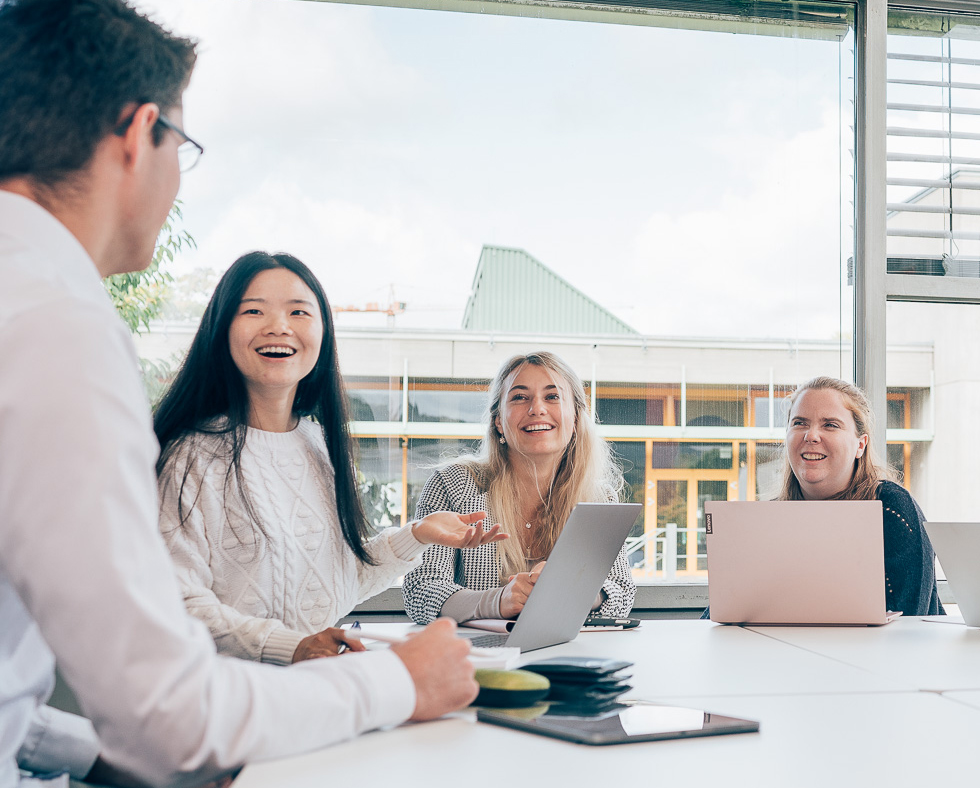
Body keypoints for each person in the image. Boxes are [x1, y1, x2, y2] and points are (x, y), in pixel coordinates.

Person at [0, 1, 475, 786]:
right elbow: (167, 711)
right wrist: (397, 680)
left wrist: (91, 756)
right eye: (182, 146)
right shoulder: (59, 329)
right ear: (137, 134)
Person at [154, 251, 508, 666]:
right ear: (221, 329)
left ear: (323, 333)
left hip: (318, 688)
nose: (279, 327)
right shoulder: (189, 455)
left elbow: (336, 584)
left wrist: (418, 534)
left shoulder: (317, 442)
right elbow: (175, 600)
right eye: (253, 310)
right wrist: (293, 646)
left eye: (299, 312)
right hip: (230, 701)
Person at [403, 352, 636, 624]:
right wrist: (497, 601)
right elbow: (420, 590)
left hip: (566, 653)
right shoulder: (454, 484)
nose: (537, 408)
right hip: (475, 657)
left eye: (552, 397)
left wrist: (575, 591)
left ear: (575, 419)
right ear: (498, 421)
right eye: (519, 397)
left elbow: (622, 592)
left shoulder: (599, 498)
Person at [774, 377, 942, 617]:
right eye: (799, 423)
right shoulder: (768, 519)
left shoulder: (892, 508)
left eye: (830, 425)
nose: (811, 436)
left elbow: (911, 623)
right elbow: (721, 612)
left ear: (860, 445)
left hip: (882, 653)